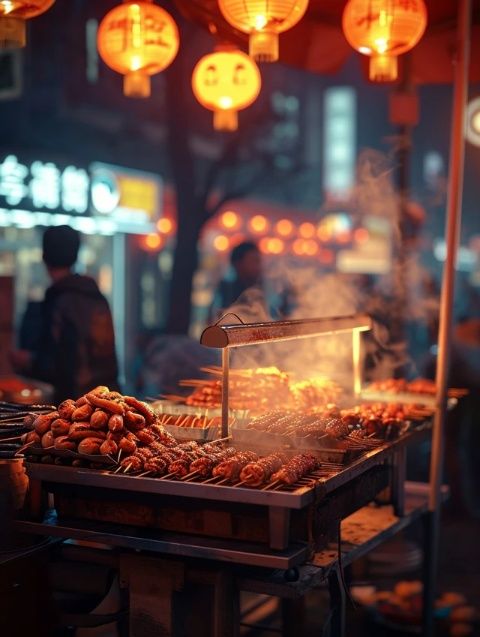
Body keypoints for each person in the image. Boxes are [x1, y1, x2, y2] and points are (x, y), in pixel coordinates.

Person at [10, 225, 119, 403]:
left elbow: (59, 365)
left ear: (44, 257)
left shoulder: (58, 300)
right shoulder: (97, 296)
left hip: (76, 407)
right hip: (111, 401)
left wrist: (27, 360)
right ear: (76, 256)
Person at [210, 240, 263, 321]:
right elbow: (214, 320)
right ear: (238, 264)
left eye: (258, 261)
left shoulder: (260, 290)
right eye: (253, 261)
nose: (258, 267)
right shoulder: (226, 290)